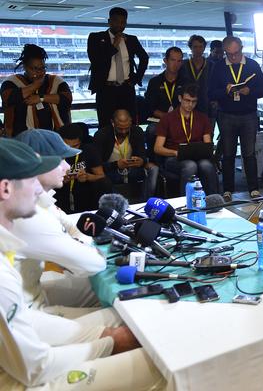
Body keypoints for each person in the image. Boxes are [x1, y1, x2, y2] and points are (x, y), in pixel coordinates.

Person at [0, 138, 165, 390]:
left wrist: (100, 336)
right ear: (5, 189)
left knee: (124, 320)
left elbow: (24, 321)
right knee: (160, 361)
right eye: (31, 179)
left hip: (27, 340)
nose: (38, 190)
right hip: (20, 381)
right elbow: (35, 369)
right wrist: (108, 343)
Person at [13, 129, 106, 313]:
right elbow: (91, 264)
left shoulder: (41, 200)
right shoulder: (28, 213)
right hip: (29, 314)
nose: (67, 167)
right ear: (38, 162)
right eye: (60, 160)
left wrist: (76, 245)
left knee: (105, 291)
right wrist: (78, 249)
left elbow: (73, 227)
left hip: (33, 293)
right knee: (124, 315)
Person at [208, 36, 263, 201]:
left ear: (241, 49)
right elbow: (211, 93)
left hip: (248, 114)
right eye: (229, 54)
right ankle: (228, 189)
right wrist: (225, 91)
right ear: (224, 52)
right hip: (226, 114)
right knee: (228, 153)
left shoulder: (252, 65)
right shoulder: (219, 67)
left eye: (236, 53)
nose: (233, 57)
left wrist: (250, 91)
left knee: (249, 153)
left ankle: (253, 188)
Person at [87, 7, 149, 128]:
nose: (119, 25)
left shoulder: (131, 39)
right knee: (106, 125)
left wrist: (137, 78)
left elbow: (144, 58)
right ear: (109, 21)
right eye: (116, 21)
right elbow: (96, 60)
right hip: (106, 89)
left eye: (123, 22)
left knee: (130, 124)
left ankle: (129, 147)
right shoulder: (95, 38)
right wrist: (114, 45)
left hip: (126, 88)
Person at [154, 83, 218, 195]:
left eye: (194, 102)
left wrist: (207, 151)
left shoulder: (202, 118)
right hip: (174, 158)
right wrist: (175, 152)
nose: (190, 105)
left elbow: (207, 144)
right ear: (180, 98)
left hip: (197, 156)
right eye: (187, 100)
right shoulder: (168, 119)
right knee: (190, 166)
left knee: (206, 165)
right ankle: (185, 202)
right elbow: (158, 148)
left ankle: (213, 200)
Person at [1, 44, 72, 137]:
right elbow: (8, 98)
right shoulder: (11, 82)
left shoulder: (55, 81)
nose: (39, 72)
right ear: (25, 67)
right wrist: (35, 86)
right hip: (21, 139)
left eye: (42, 68)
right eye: (34, 68)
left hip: (56, 137)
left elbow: (67, 98)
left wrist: (41, 98)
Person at [94, 109, 157, 200]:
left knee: (154, 169)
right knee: (103, 180)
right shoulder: (102, 135)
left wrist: (141, 161)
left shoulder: (137, 131)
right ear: (113, 123)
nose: (123, 131)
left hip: (132, 168)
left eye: (127, 128)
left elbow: (142, 155)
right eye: (120, 128)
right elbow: (96, 166)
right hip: (111, 171)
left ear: (131, 122)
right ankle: (117, 204)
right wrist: (116, 164)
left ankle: (145, 201)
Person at [55, 123, 111, 214]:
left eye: (75, 146)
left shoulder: (89, 150)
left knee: (104, 183)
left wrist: (88, 177)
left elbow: (101, 176)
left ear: (80, 142)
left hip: (85, 189)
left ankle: (100, 213)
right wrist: (62, 180)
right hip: (62, 190)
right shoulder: (53, 152)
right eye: (67, 146)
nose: (71, 150)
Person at [144, 46, 186, 156]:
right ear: (165, 61)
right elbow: (150, 108)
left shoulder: (186, 82)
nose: (176, 64)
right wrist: (168, 118)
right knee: (152, 130)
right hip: (160, 121)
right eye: (173, 60)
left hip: (182, 120)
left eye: (179, 61)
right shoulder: (155, 82)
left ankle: (182, 159)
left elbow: (191, 105)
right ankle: (154, 164)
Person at [179, 35, 212, 118]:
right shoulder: (183, 65)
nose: (198, 50)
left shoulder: (211, 65)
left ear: (204, 48)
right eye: (195, 47)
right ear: (191, 48)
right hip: (187, 105)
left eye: (201, 47)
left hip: (206, 105)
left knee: (207, 130)